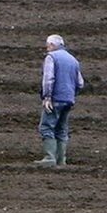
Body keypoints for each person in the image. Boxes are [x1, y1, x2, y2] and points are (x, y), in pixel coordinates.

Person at [35, 34, 84, 167]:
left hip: (55, 98)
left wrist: (47, 97)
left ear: (51, 45)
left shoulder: (51, 58)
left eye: (47, 45)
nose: (47, 48)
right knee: (62, 129)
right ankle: (61, 159)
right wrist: (71, 95)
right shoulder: (73, 60)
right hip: (69, 99)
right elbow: (80, 83)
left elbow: (48, 79)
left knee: (46, 126)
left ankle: (49, 157)